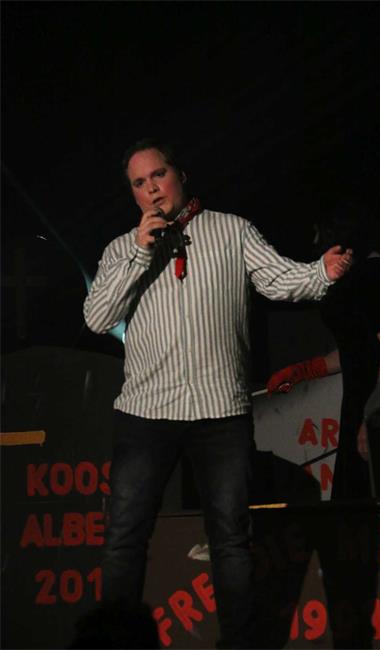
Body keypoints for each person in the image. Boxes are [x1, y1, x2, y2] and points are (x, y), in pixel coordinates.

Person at [83, 137, 352, 648]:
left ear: (179, 175)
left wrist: (322, 272)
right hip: (146, 414)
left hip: (218, 412)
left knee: (230, 541)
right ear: (133, 194)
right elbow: (98, 318)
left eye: (158, 175)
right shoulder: (121, 249)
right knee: (124, 538)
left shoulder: (232, 230)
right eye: (139, 183)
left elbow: (279, 279)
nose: (151, 189)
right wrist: (140, 253)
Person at [267, 202, 380, 499]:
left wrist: (372, 414)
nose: (314, 241)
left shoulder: (377, 274)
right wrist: (304, 370)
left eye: (319, 233)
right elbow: (358, 348)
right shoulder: (359, 277)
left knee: (378, 501)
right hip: (362, 404)